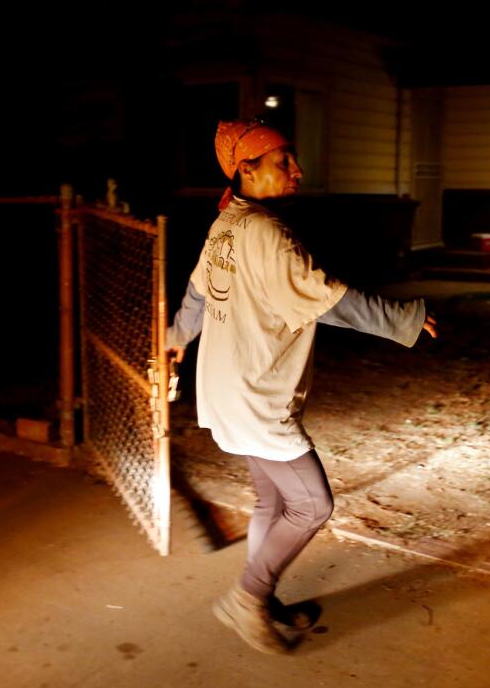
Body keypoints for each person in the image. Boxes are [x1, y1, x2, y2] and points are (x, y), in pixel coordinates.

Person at [167, 119, 438, 654]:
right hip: (257, 398)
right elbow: (329, 300)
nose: (298, 170)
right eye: (283, 161)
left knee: (272, 500)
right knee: (312, 505)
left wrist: (177, 336)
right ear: (247, 169)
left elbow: (198, 293)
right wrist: (403, 320)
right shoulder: (267, 233)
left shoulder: (226, 224)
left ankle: (259, 600)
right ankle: (247, 599)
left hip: (226, 391)